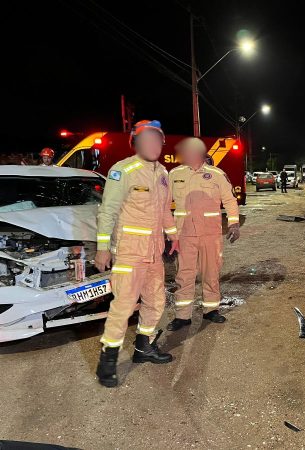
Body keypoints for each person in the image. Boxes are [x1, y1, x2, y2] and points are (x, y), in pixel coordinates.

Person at [94, 120, 179, 388]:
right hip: (130, 252)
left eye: (158, 140)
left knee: (156, 300)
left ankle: (144, 348)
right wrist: (103, 248)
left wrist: (173, 235)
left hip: (154, 252)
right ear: (136, 143)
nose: (153, 145)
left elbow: (166, 209)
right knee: (124, 305)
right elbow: (107, 211)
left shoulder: (163, 173)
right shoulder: (123, 171)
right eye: (147, 140)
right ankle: (107, 361)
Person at [167, 137, 240, 331]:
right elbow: (164, 204)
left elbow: (230, 201)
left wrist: (234, 224)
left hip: (210, 234)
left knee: (211, 273)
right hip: (184, 235)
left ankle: (211, 310)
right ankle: (183, 316)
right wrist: (166, 231)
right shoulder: (175, 174)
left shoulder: (216, 175)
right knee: (184, 275)